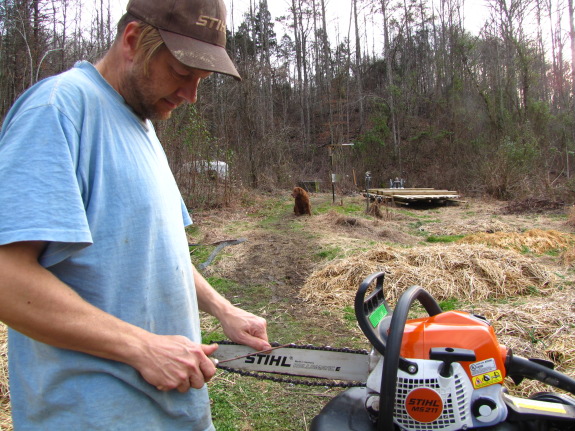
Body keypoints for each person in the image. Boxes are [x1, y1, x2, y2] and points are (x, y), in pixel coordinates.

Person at [0, 0, 271, 429]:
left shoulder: (142, 124)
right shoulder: (58, 109)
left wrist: (223, 309)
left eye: (200, 80)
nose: (190, 95)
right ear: (132, 41)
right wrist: (142, 347)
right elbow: (6, 279)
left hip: (171, 412)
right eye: (182, 73)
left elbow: (159, 252)